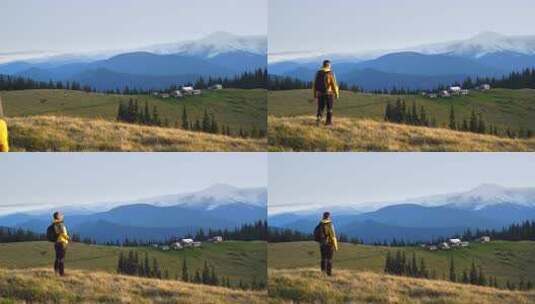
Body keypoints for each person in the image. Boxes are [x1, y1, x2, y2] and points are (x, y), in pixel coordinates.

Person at [313, 60, 340, 126]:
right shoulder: (330, 73)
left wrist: (314, 94)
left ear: (323, 65)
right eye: (330, 65)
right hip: (329, 94)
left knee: (320, 108)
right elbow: (333, 84)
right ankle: (328, 123)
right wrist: (336, 94)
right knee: (329, 108)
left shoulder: (318, 73)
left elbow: (314, 85)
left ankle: (318, 120)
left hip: (320, 94)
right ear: (328, 65)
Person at [316, 211, 338, 276]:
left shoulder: (320, 224)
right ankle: (329, 274)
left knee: (323, 258)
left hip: (322, 244)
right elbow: (333, 236)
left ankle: (323, 272)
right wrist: (335, 246)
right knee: (329, 259)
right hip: (329, 244)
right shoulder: (330, 224)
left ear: (323, 216)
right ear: (328, 216)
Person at [52, 211, 70, 276]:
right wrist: (68, 238)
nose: (62, 215)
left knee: (57, 258)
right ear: (58, 217)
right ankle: (61, 274)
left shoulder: (54, 223)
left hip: (56, 243)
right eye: (61, 215)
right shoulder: (60, 224)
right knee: (61, 259)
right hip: (62, 242)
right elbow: (62, 233)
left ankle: (56, 271)